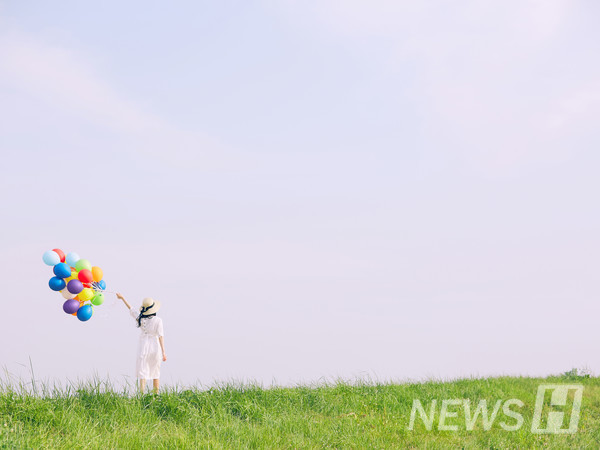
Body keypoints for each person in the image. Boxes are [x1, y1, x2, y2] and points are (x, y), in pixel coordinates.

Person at [116, 293, 167, 394]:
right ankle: (155, 395)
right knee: (155, 372)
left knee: (142, 371)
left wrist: (123, 298)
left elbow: (131, 309)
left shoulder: (140, 318)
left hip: (143, 346)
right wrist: (164, 352)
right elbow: (161, 336)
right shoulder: (158, 320)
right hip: (155, 347)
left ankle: (141, 394)